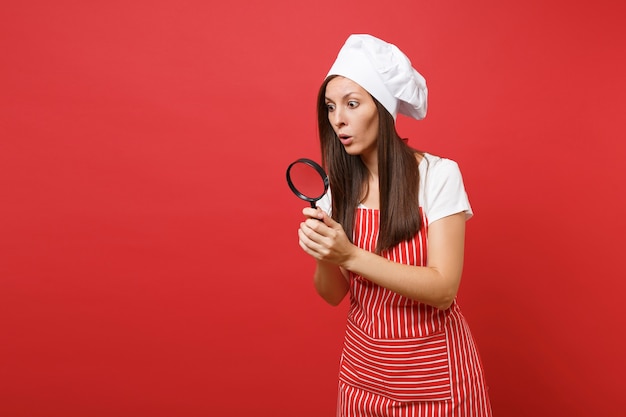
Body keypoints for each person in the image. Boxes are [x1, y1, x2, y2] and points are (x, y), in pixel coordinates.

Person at [297, 34, 492, 416]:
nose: (338, 119)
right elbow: (333, 294)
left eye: (352, 104)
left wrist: (349, 254)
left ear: (383, 109)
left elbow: (442, 289)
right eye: (331, 107)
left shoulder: (438, 175)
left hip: (436, 381)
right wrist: (324, 252)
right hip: (363, 379)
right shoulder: (336, 191)